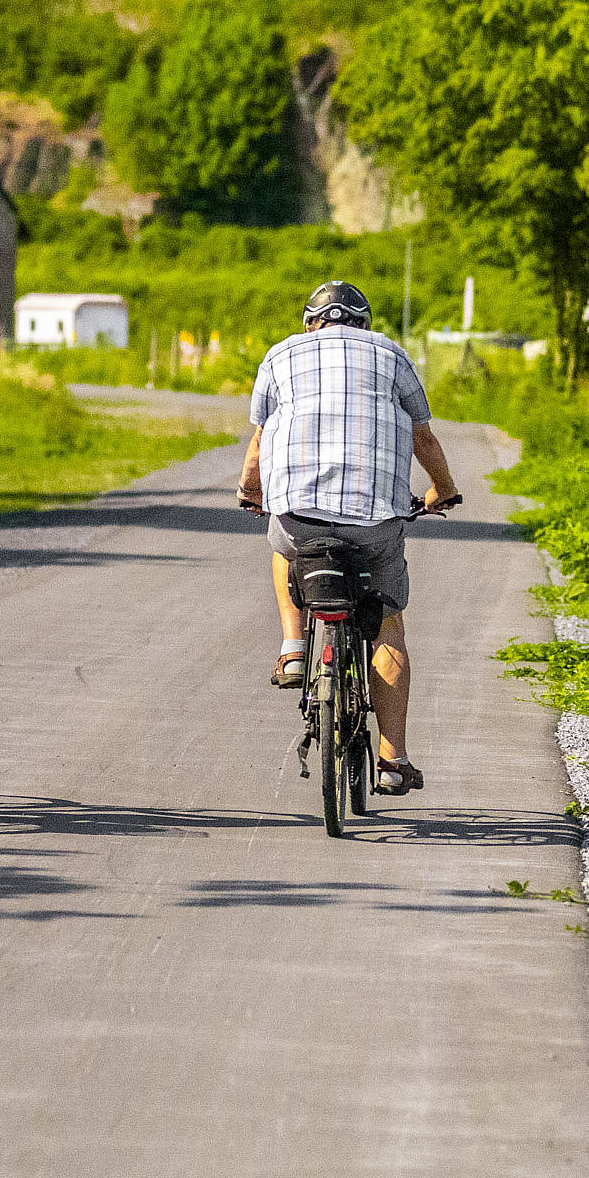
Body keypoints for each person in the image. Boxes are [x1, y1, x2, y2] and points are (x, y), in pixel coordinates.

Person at [239, 279, 458, 795]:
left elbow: (261, 438)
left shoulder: (279, 356)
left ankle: (295, 648)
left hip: (301, 517)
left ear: (311, 322)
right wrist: (444, 490)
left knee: (281, 546)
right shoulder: (393, 355)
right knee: (388, 627)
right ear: (364, 322)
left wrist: (252, 491)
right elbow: (422, 435)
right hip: (375, 520)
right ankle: (392, 757)